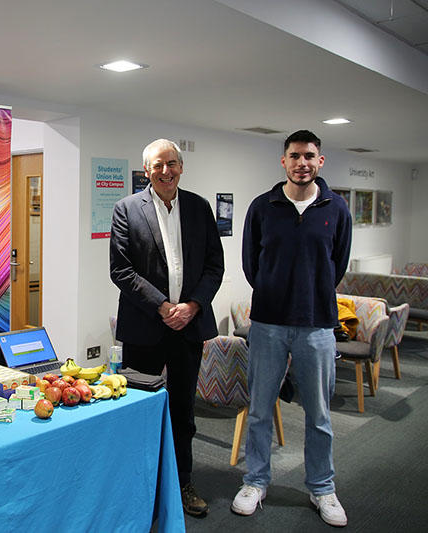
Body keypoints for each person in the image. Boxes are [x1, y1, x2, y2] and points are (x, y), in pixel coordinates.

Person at [233, 130, 352, 527]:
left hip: (317, 324)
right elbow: (252, 263)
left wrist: (310, 293)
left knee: (318, 414)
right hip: (267, 323)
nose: (302, 162)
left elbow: (338, 262)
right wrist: (274, 290)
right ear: (283, 161)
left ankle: (322, 487)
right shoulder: (262, 207)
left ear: (321, 162)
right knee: (260, 410)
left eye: (309, 156)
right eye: (295, 155)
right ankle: (255, 481)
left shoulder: (336, 208)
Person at [110, 138, 224, 517]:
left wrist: (191, 306)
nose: (165, 171)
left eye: (171, 163)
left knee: (182, 411)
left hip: (188, 328)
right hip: (145, 326)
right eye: (157, 165)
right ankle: (137, 484)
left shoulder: (199, 207)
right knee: (138, 407)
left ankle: (182, 483)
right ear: (146, 170)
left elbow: (214, 266)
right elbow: (121, 270)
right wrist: (162, 307)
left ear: (181, 167)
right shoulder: (126, 209)